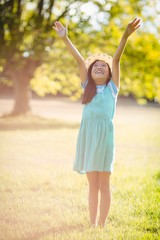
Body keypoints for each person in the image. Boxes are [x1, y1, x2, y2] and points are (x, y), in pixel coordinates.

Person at [53, 18, 141, 227]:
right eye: (96, 66)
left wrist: (125, 36)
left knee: (104, 183)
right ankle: (92, 224)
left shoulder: (112, 89)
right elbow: (80, 61)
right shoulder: (87, 87)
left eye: (104, 66)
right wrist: (65, 39)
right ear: (90, 73)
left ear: (110, 74)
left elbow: (117, 60)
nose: (100, 67)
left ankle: (102, 223)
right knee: (92, 184)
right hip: (88, 136)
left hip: (105, 138)